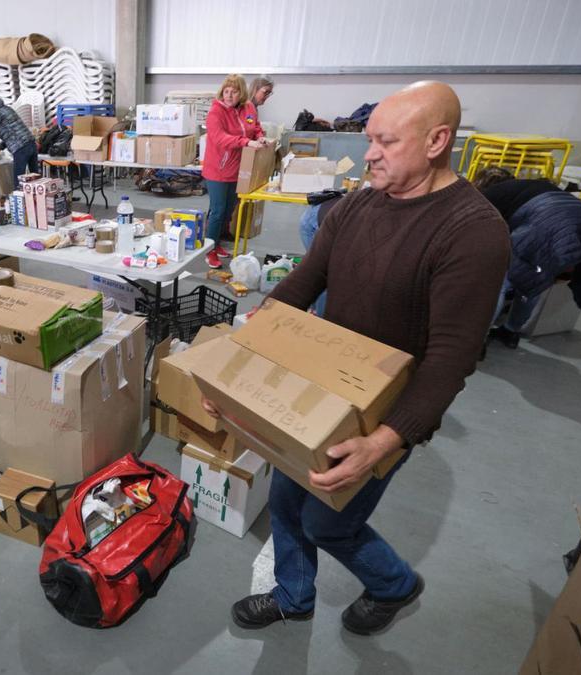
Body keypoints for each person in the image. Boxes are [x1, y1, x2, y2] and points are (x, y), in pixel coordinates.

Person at [209, 82, 510, 635]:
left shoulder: (471, 232)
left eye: (386, 142)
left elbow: (451, 357)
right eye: (370, 139)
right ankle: (293, 596)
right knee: (284, 494)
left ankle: (394, 585)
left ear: (437, 141)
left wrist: (383, 441)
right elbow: (306, 279)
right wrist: (243, 347)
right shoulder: (360, 203)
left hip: (382, 409)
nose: (368, 153)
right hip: (321, 383)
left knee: (329, 521)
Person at [472, 167, 581, 348]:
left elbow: (478, 236)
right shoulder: (529, 186)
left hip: (547, 223)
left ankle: (477, 341)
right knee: (532, 281)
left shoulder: (489, 196)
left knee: (500, 283)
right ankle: (511, 331)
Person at [201, 74, 272, 269]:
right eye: (226, 92)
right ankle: (209, 250)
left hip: (238, 169)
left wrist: (260, 136)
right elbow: (219, 138)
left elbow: (254, 126)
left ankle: (218, 243)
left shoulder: (248, 108)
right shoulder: (216, 111)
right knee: (217, 210)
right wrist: (246, 142)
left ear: (242, 93)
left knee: (229, 209)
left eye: (234, 92)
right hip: (218, 170)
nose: (229, 96)